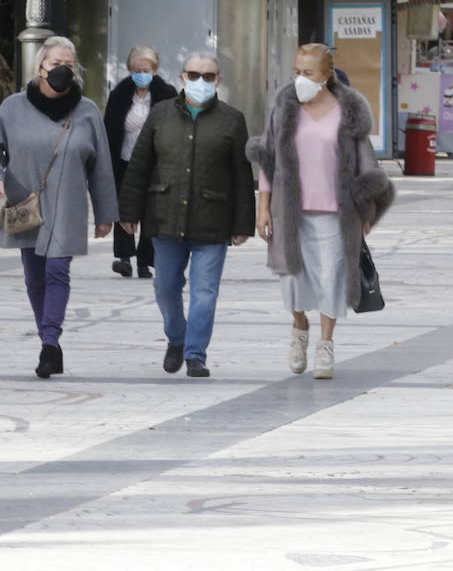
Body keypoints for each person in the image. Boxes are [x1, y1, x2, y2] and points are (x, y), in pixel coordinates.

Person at [248, 44, 394, 380]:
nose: (300, 79)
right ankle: (300, 328)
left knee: (332, 278)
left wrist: (366, 210)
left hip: (336, 213)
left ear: (326, 76)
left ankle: (325, 345)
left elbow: (364, 164)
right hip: (290, 211)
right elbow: (268, 159)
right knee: (294, 281)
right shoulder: (284, 109)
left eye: (308, 73)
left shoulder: (349, 111)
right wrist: (263, 207)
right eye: (297, 71)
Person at [117, 53, 254, 378]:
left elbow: (242, 175)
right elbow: (139, 166)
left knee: (205, 292)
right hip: (164, 218)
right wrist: (129, 213)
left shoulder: (232, 120)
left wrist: (242, 224)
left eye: (209, 76)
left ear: (218, 80)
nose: (201, 81)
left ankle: (196, 354)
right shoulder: (160, 115)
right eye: (194, 74)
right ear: (182, 77)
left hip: (213, 220)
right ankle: (176, 338)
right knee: (165, 286)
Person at [0, 36, 118, 379]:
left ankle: (50, 344)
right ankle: (47, 339)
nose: (62, 71)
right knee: (34, 277)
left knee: (57, 271)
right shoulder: (12, 108)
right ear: (40, 68)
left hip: (68, 203)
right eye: (56, 64)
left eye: (69, 65)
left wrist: (106, 213)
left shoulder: (88, 111)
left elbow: (102, 166)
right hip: (26, 203)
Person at [103, 45, 177, 278]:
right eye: (136, 69)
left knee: (149, 210)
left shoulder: (167, 93)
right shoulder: (120, 94)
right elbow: (109, 128)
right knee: (124, 207)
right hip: (125, 160)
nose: (140, 74)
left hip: (155, 163)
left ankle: (145, 261)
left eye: (145, 69)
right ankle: (124, 257)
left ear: (154, 70)